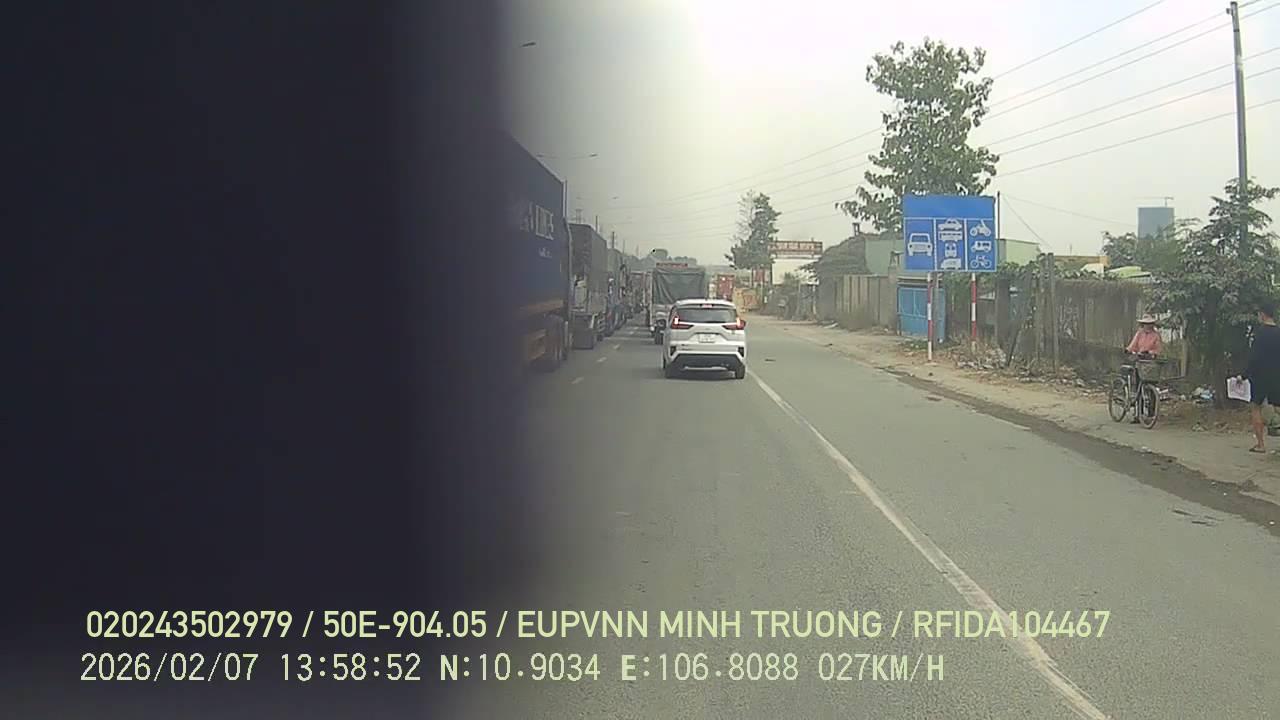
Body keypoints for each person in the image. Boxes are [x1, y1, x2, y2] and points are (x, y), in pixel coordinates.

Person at [1240, 300, 1280, 453]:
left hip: (1260, 377)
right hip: (1277, 376)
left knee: (1256, 407)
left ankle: (1261, 445)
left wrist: (1244, 375)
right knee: (1278, 407)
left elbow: (1254, 358)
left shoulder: (1260, 334)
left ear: (1262, 315)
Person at [1123, 314, 1163, 423]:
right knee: (1138, 389)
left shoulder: (1156, 335)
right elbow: (1133, 345)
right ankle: (1138, 415)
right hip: (1140, 363)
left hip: (1151, 364)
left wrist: (1150, 352)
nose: (1147, 326)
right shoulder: (1139, 334)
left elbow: (1159, 349)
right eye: (1145, 324)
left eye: (1149, 324)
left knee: (1152, 390)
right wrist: (1128, 350)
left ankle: (1151, 414)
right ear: (1143, 324)